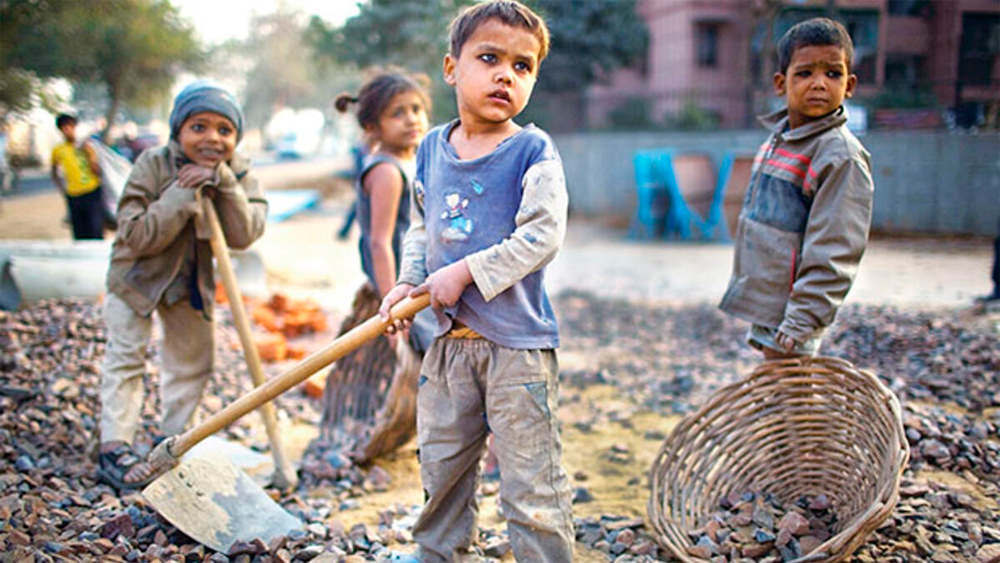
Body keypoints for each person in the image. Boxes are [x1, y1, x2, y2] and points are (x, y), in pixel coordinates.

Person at [379, 1, 574, 560]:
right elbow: (422, 228)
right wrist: (408, 283)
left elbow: (542, 236)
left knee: (530, 482)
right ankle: (439, 553)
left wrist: (466, 271)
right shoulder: (431, 151)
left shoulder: (532, 152)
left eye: (523, 66)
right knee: (441, 467)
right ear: (450, 68)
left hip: (516, 347)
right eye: (489, 58)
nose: (505, 75)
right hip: (447, 346)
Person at [97, 80, 266, 490]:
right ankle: (114, 448)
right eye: (199, 127)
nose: (212, 138)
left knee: (193, 360)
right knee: (126, 357)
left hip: (190, 281)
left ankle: (170, 444)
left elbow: (246, 233)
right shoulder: (153, 164)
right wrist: (180, 192)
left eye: (224, 131)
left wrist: (223, 182)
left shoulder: (238, 171)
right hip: (136, 277)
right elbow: (135, 235)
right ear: (178, 131)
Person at [719, 17, 874, 359]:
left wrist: (803, 318)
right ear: (780, 83)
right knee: (780, 392)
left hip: (795, 310)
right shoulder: (784, 140)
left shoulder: (839, 156)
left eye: (832, 74)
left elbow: (835, 247)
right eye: (805, 73)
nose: (819, 83)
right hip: (772, 303)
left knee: (793, 394)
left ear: (849, 85)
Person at [318, 69, 437, 462]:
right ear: (373, 125)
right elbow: (379, 242)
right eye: (398, 113)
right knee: (433, 356)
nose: (412, 119)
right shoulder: (385, 170)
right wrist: (393, 307)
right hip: (401, 288)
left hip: (422, 284)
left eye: (417, 108)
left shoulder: (414, 160)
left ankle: (434, 432)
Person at [51, 113, 105, 239]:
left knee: (95, 230)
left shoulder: (86, 146)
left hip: (92, 191)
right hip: (73, 195)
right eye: (64, 128)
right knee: (79, 233)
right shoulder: (59, 150)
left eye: (69, 127)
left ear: (74, 127)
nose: (67, 131)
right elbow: (54, 171)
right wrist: (62, 188)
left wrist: (89, 156)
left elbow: (97, 171)